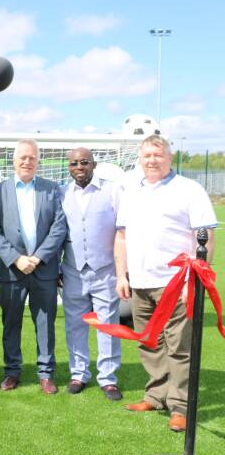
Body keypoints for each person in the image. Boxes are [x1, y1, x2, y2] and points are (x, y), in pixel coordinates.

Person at [116, 134, 216, 432]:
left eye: (158, 155)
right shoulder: (131, 192)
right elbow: (121, 236)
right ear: (140, 158)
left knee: (178, 347)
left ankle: (180, 406)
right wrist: (122, 274)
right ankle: (156, 395)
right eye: (147, 155)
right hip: (140, 282)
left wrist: (193, 280)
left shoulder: (189, 190)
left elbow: (206, 237)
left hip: (176, 284)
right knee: (149, 343)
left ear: (170, 158)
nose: (152, 160)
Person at [0, 139, 67, 394]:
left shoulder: (51, 189)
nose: (27, 161)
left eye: (32, 157)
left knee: (45, 323)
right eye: (23, 157)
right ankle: (12, 371)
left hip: (44, 270)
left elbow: (59, 227)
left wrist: (39, 257)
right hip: (12, 270)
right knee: (11, 323)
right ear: (13, 160)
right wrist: (16, 258)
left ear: (38, 161)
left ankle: (46, 373)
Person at [60, 147, 123, 401]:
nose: (79, 167)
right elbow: (57, 233)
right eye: (74, 163)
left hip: (105, 270)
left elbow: (123, 232)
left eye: (84, 162)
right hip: (72, 270)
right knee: (75, 325)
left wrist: (123, 269)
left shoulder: (113, 190)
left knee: (107, 325)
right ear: (68, 167)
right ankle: (78, 374)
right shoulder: (61, 192)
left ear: (94, 164)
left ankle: (108, 378)